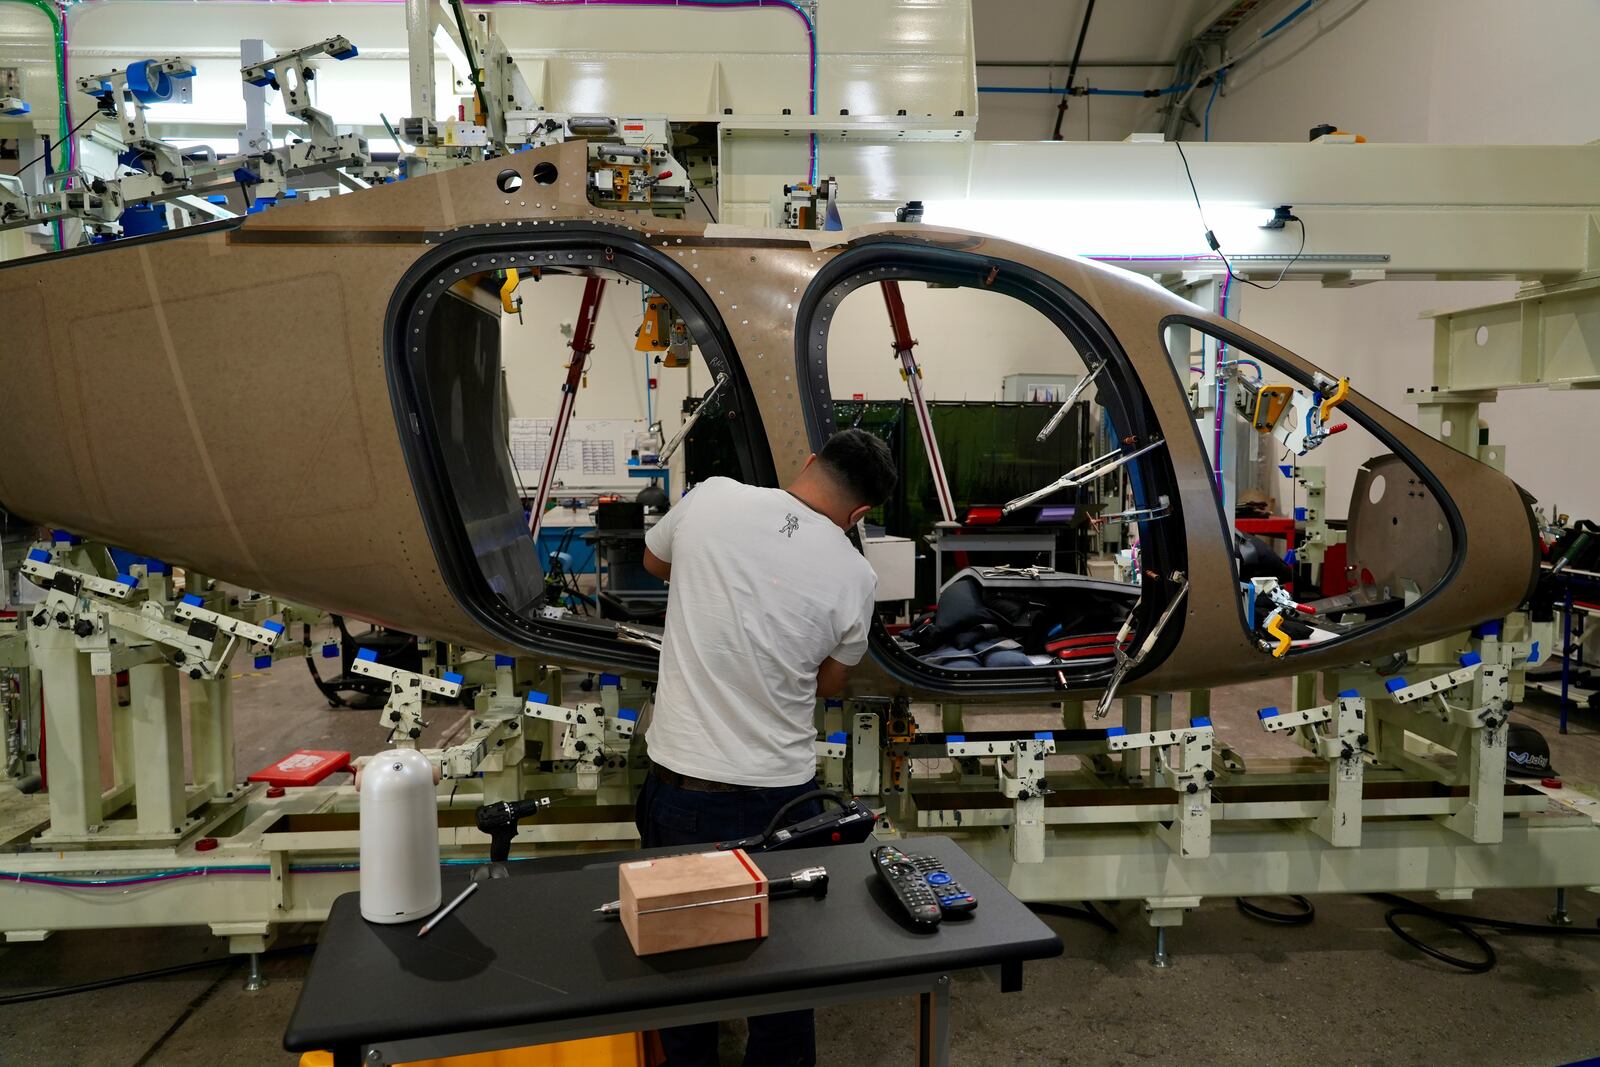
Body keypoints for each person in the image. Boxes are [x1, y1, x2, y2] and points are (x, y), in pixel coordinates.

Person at [636, 428, 898, 1067]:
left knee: (680, 966)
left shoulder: (712, 497)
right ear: (860, 515)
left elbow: (655, 563)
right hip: (782, 800)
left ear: (809, 462)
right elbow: (830, 684)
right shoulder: (855, 575)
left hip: (682, 788)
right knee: (784, 971)